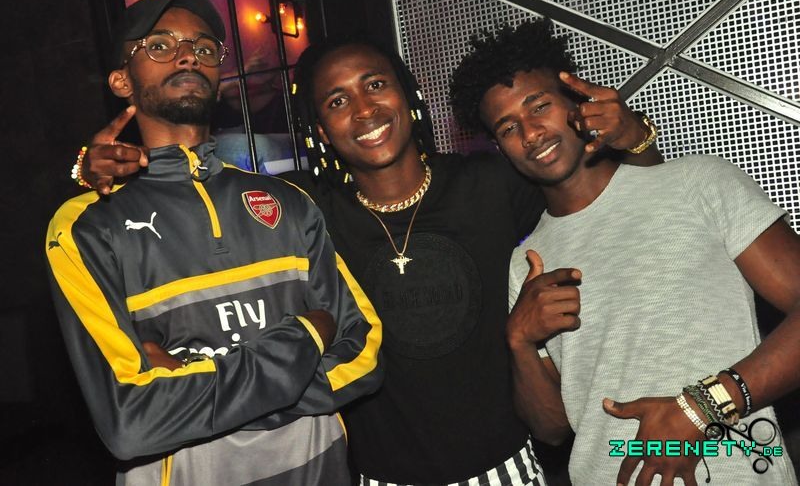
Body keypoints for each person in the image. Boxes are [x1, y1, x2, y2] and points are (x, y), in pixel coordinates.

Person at [79, 28, 659, 483]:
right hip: (377, 477)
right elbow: (196, 209)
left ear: (408, 94)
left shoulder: (487, 183)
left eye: (376, 85)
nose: (363, 110)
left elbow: (619, 208)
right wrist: (93, 175)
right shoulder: (300, 209)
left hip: (505, 467)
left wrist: (634, 137)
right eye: (338, 101)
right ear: (320, 128)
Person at [45, 0, 382, 486]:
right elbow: (131, 422)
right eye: (161, 45)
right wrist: (306, 335)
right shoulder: (87, 227)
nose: (188, 55)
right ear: (122, 80)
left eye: (204, 48)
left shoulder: (287, 202)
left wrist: (194, 391)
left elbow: (364, 353)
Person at [449, 18, 800, 485]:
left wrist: (704, 406)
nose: (530, 133)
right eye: (509, 127)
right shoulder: (526, 264)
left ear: (578, 102)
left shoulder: (699, 183)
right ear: (499, 147)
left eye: (540, 107)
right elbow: (552, 429)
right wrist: (520, 342)